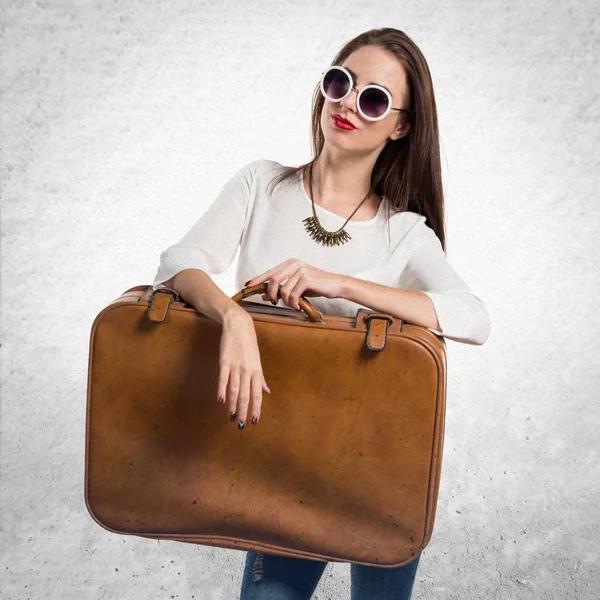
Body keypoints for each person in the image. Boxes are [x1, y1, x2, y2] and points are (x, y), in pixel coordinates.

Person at [152, 26, 491, 600]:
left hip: (379, 467)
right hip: (278, 462)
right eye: (341, 82)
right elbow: (178, 262)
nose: (348, 104)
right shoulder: (262, 184)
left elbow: (472, 318)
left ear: (401, 125)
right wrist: (233, 319)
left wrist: (340, 283)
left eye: (374, 99)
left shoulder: (403, 232)